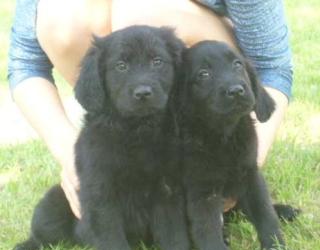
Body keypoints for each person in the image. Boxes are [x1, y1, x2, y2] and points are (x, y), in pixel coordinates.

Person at [8, 0, 293, 219]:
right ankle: (130, 158)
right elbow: (27, 63)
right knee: (61, 19)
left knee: (141, 15)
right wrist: (75, 157)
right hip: (129, 121)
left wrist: (243, 164)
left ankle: (191, 160)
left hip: (206, 76)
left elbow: (272, 65)